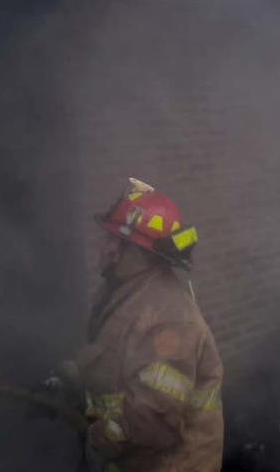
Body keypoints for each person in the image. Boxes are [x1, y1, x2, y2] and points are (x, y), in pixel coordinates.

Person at [50, 178, 224, 472]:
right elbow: (111, 355)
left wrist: (98, 440)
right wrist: (70, 377)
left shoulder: (170, 318)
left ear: (136, 251)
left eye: (112, 239)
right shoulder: (124, 292)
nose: (104, 247)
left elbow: (155, 419)